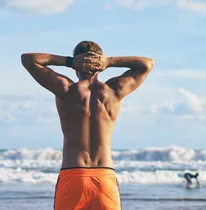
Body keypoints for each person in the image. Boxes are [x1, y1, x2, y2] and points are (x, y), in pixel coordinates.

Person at [21, 41, 154, 210]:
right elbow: (147, 64)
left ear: (76, 67)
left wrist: (69, 61)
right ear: (100, 65)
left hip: (73, 176)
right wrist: (110, 61)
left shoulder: (66, 89)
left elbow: (28, 60)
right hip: (104, 177)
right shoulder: (114, 91)